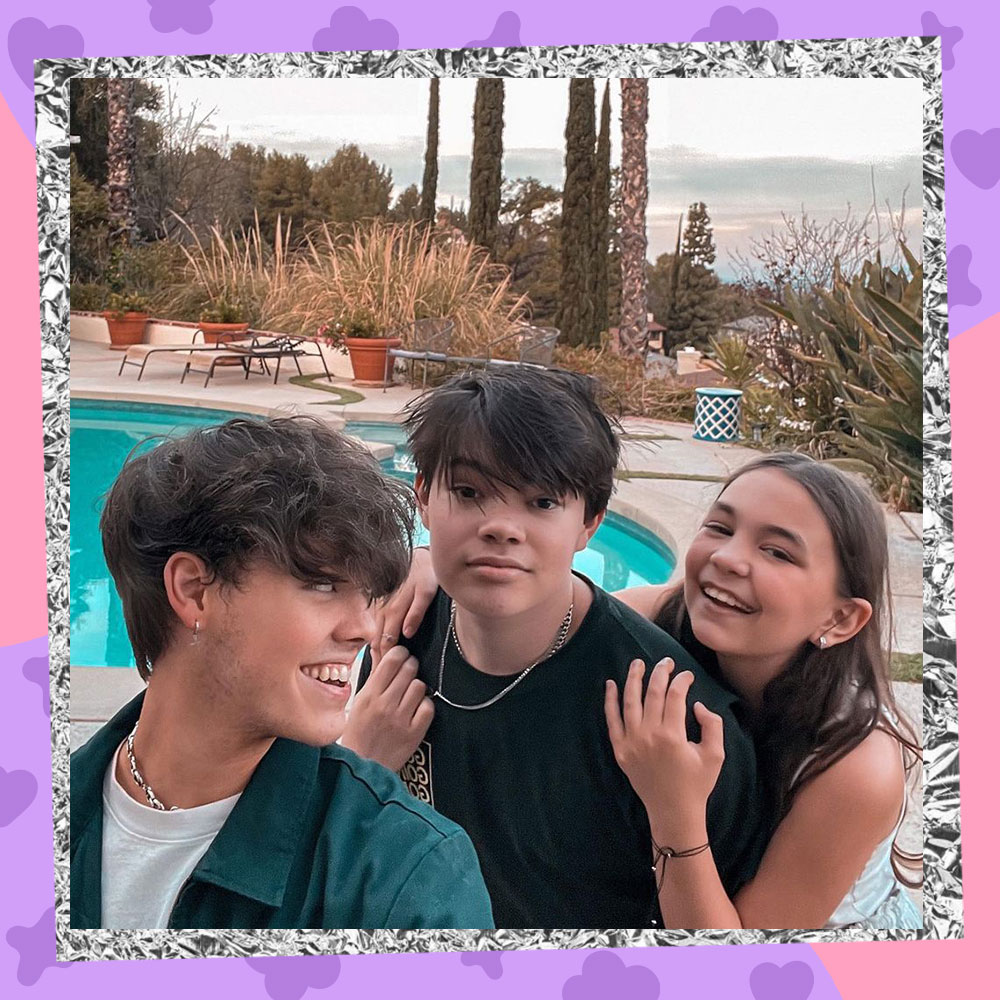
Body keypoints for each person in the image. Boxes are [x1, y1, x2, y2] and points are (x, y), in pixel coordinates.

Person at [384, 451, 922, 930]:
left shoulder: (856, 768)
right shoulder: (654, 620)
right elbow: (551, 596)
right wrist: (437, 562)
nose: (730, 558)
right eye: (720, 528)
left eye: (779, 552)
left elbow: (736, 971)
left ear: (841, 617)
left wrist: (673, 807)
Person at [341, 367, 765, 929]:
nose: (502, 527)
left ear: (590, 524)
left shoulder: (669, 716)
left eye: (541, 502)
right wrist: (360, 767)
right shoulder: (403, 639)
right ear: (422, 497)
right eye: (469, 493)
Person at [70, 416, 494, 930]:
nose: (363, 628)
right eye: (321, 585)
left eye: (370, 597)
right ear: (193, 591)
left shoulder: (405, 877)